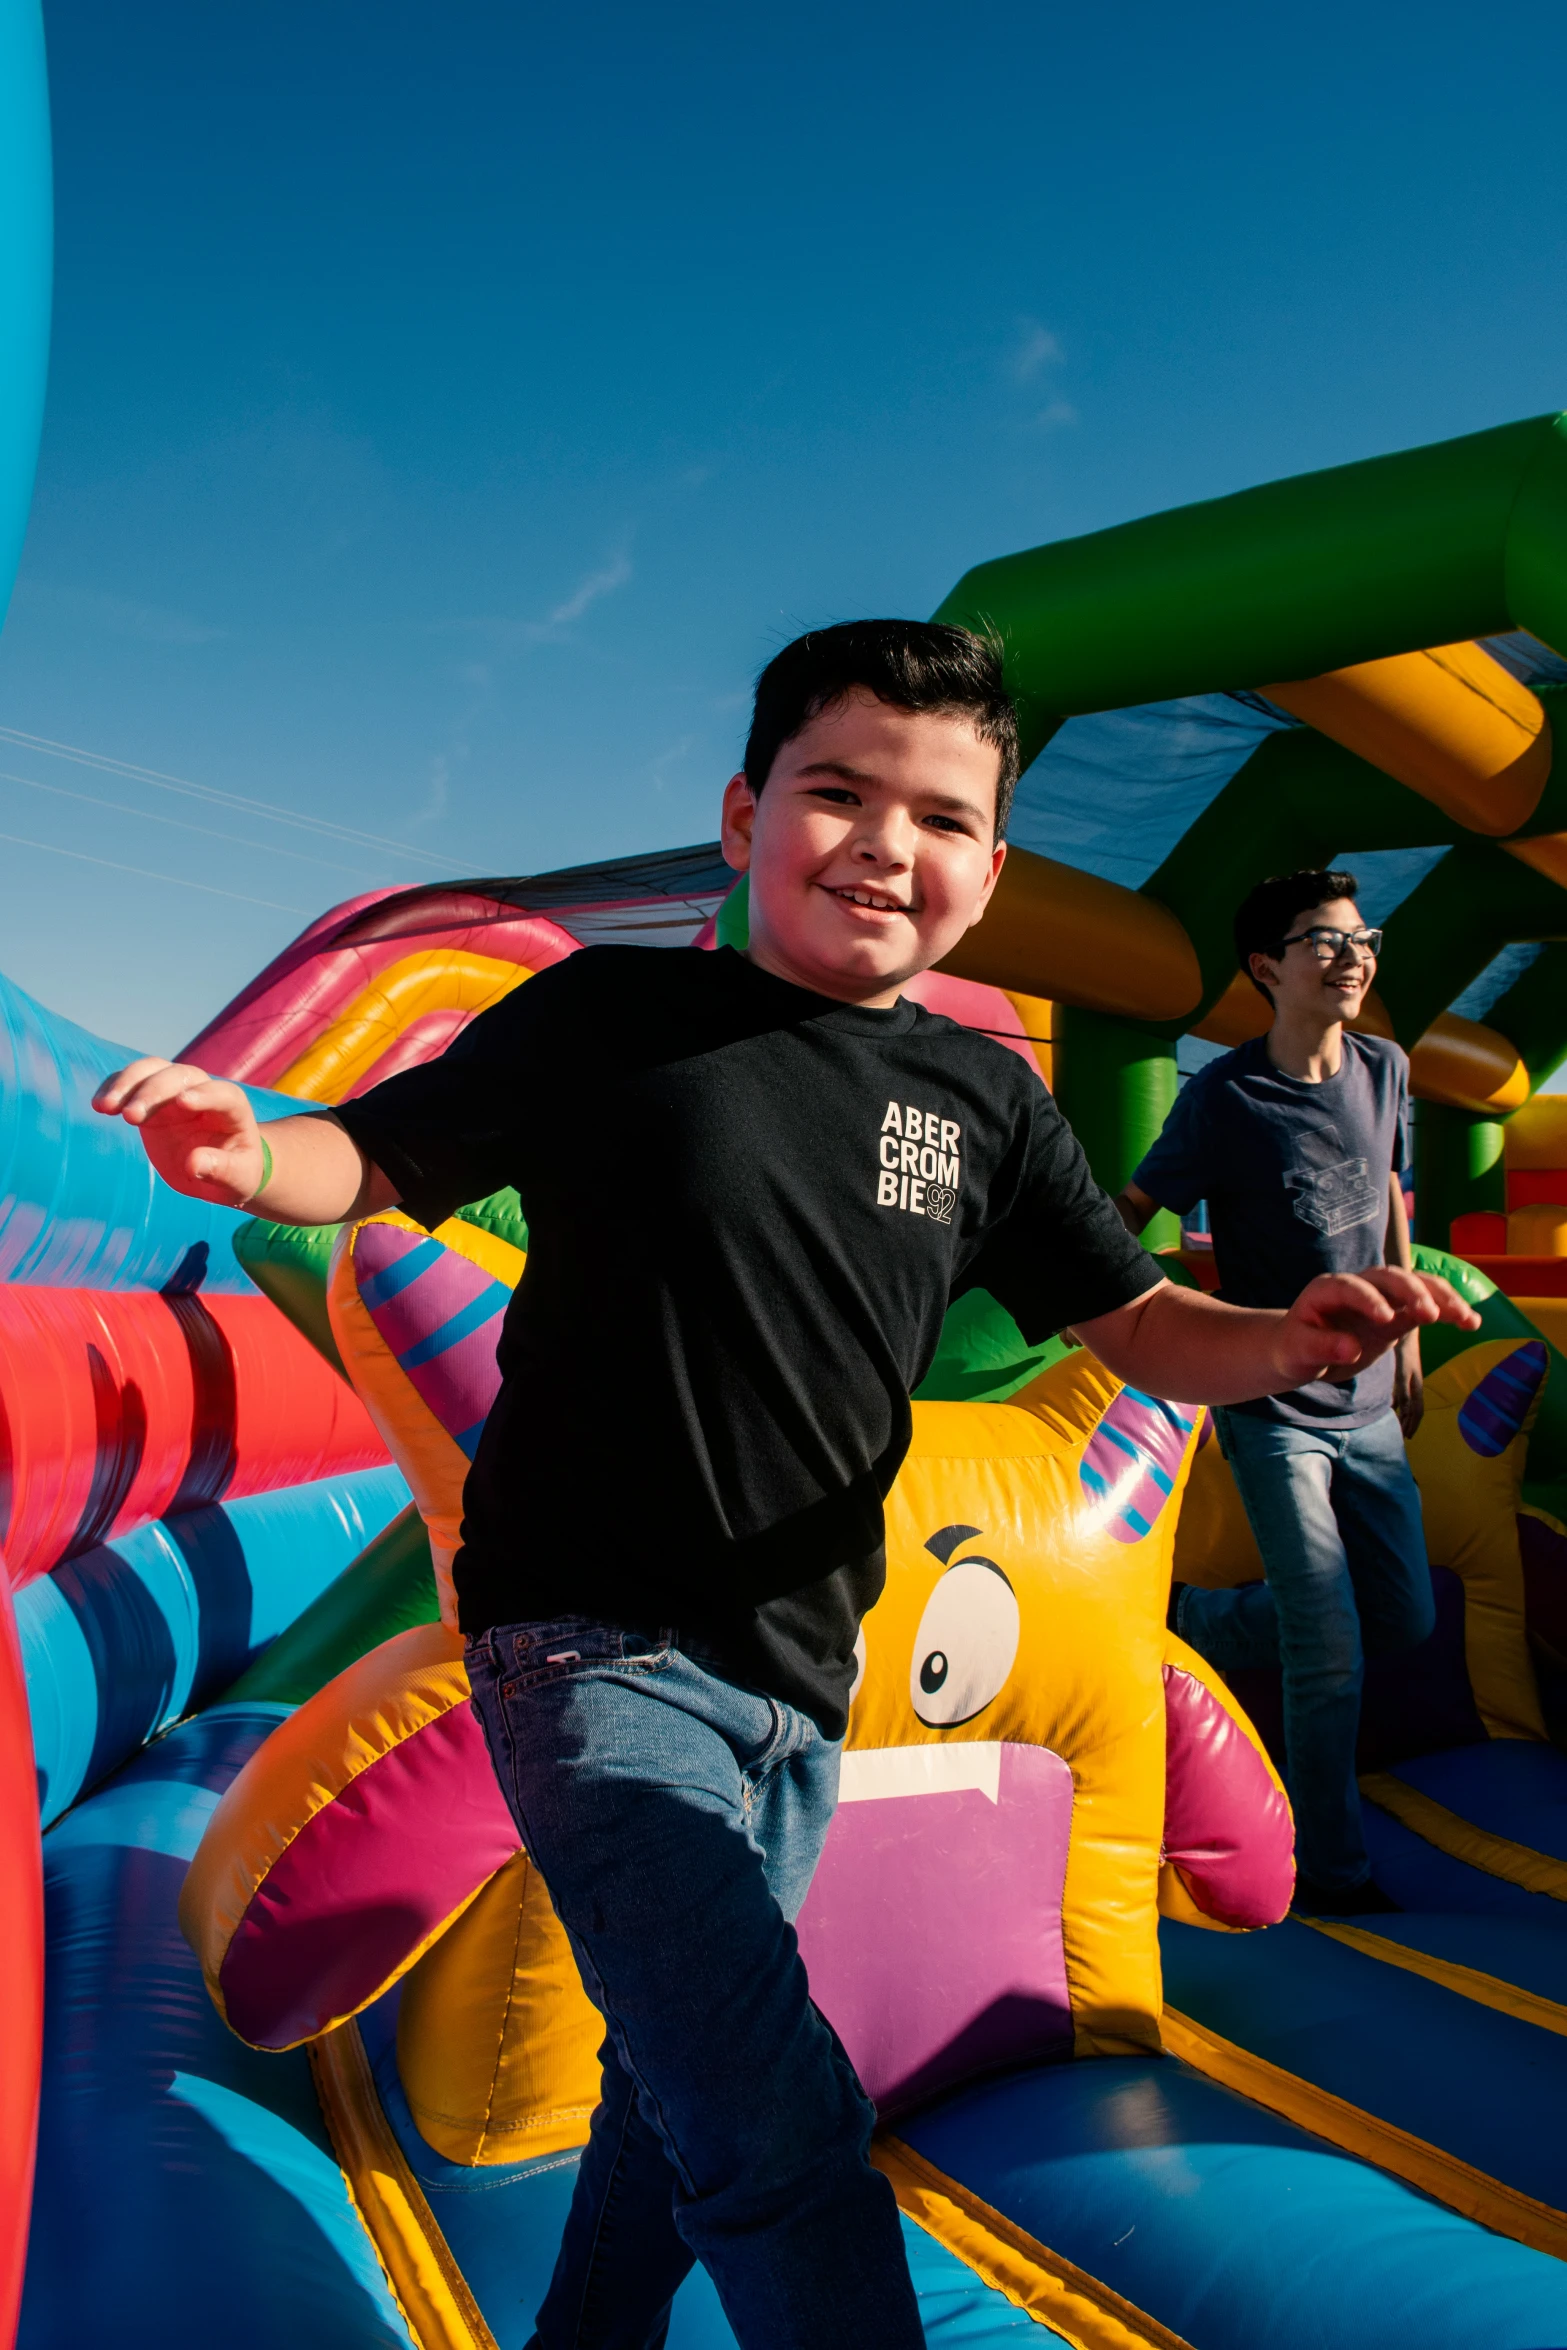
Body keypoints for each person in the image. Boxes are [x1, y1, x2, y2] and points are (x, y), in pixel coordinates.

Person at [94, 636, 1475, 2349]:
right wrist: (254, 1147)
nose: (887, 842)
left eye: (942, 817)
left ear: (988, 874)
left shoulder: (984, 1102)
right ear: (747, 813)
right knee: (774, 2115)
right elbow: (385, 1153)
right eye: (837, 791)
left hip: (800, 1680)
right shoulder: (616, 1017)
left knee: (663, 2092)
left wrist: (1284, 1338)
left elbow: (1139, 1324)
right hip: (586, 1650)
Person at [1117, 868, 1433, 1918]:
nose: (1353, 959)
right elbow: (1136, 1205)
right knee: (1330, 1644)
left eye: (1364, 940)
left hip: (1374, 1404)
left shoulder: (1385, 1067)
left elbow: (1387, 1191)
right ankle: (1334, 1872)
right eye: (1326, 943)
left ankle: (1207, 1626)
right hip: (1272, 1412)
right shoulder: (1224, 1098)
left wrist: (1413, 1358)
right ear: (1267, 968)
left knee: (1401, 1614)